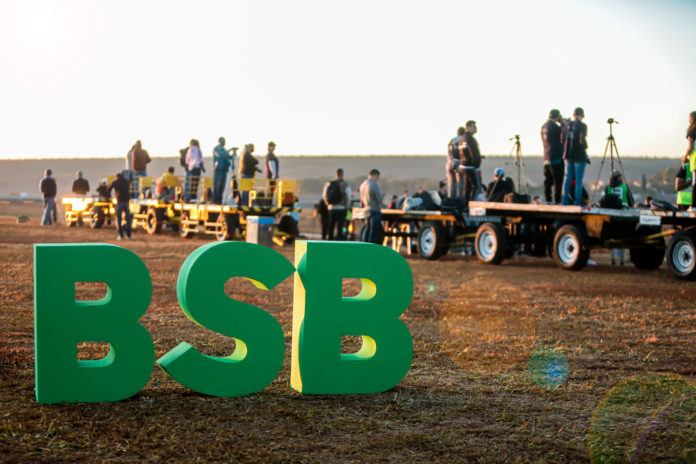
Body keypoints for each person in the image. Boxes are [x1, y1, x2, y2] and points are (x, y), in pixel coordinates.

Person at [562, 107, 589, 206]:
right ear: (582, 115)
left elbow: (562, 140)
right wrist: (585, 146)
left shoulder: (566, 125)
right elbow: (582, 140)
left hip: (568, 156)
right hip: (579, 156)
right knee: (578, 180)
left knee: (567, 178)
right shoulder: (582, 126)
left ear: (573, 115)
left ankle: (565, 201)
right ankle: (578, 202)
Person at [541, 109, 565, 204]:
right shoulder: (554, 127)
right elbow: (564, 133)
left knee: (548, 180)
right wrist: (562, 123)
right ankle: (557, 200)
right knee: (557, 180)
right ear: (557, 117)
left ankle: (548, 199)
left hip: (546, 157)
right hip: (556, 158)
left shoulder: (543, 127)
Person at [322, 168, 351, 240]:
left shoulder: (329, 183)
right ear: (342, 174)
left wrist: (328, 204)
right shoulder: (345, 183)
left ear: (336, 174)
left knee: (331, 226)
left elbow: (324, 195)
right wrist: (347, 206)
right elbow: (348, 196)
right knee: (340, 226)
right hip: (341, 208)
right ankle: (339, 241)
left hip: (331, 208)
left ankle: (330, 240)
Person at [460, 120, 482, 208]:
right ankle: (472, 205)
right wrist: (477, 164)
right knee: (476, 186)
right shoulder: (470, 139)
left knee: (467, 187)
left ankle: (465, 205)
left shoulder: (462, 139)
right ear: (468, 127)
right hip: (470, 166)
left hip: (463, 166)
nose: (475, 128)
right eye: (474, 126)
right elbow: (474, 153)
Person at [359, 169, 383, 244]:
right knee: (374, 232)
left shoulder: (363, 184)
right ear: (375, 175)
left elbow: (361, 199)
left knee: (367, 229)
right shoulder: (374, 185)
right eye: (378, 177)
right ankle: (372, 248)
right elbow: (379, 199)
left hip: (366, 209)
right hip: (374, 209)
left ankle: (365, 247)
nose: (378, 179)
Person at [108, 171, 132, 240]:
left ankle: (121, 236)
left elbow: (108, 189)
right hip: (127, 202)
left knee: (119, 219)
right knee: (128, 219)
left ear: (116, 177)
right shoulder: (127, 181)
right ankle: (129, 235)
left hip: (119, 202)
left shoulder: (115, 182)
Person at [680, 111, 696, 212]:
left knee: (695, 181)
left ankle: (693, 206)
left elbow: (690, 147)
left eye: (689, 118)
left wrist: (685, 156)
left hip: (695, 158)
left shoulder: (692, 131)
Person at [213, 137, 236, 204]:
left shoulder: (224, 150)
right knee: (218, 186)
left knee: (222, 186)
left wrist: (234, 153)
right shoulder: (216, 149)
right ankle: (216, 200)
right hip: (218, 170)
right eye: (222, 141)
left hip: (224, 170)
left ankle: (220, 200)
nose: (223, 143)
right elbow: (220, 155)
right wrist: (229, 150)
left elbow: (229, 157)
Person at [446, 126, 465, 199]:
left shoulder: (452, 140)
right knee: (460, 184)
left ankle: (450, 199)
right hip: (458, 162)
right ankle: (460, 201)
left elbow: (449, 151)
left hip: (450, 162)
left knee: (451, 184)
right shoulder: (463, 140)